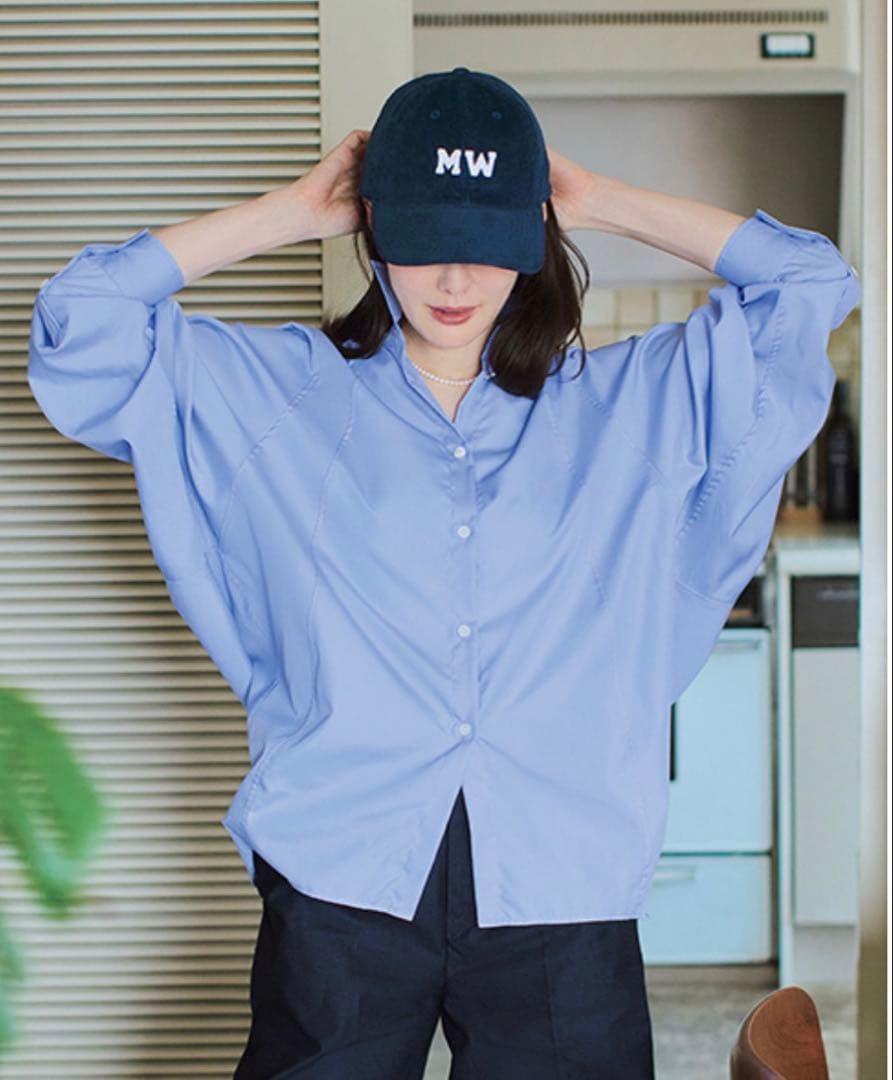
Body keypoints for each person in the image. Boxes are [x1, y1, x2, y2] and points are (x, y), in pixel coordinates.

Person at [27, 66, 860, 1080]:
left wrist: (596, 199)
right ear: (375, 228)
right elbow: (79, 323)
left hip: (559, 881)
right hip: (341, 879)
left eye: (487, 242)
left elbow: (807, 285)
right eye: (425, 239)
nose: (456, 281)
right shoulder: (274, 393)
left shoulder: (630, 403)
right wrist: (294, 211)